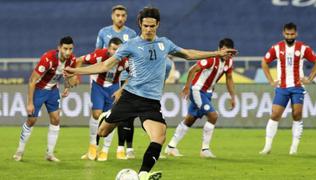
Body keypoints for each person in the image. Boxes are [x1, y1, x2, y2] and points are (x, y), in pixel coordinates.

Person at [64, 7, 236, 180]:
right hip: (130, 98)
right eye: (145, 25)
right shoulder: (130, 45)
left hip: (151, 102)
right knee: (102, 132)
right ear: (140, 24)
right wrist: (77, 71)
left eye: (152, 26)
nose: (148, 29)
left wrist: (217, 53)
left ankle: (144, 174)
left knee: (159, 136)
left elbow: (188, 54)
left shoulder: (165, 43)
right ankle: (106, 117)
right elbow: (104, 65)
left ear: (158, 25)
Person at [165, 38, 236, 158]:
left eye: (228, 51)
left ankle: (170, 147)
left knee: (189, 119)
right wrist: (187, 87)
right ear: (219, 49)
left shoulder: (229, 62)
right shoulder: (211, 59)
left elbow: (229, 79)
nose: (226, 54)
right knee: (213, 116)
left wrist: (232, 96)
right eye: (224, 50)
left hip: (207, 93)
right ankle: (205, 150)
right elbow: (193, 69)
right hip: (197, 90)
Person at [13, 36, 77, 162]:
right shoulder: (48, 59)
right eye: (65, 49)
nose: (68, 52)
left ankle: (50, 154)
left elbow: (69, 75)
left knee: (56, 119)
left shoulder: (72, 60)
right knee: (31, 120)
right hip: (39, 90)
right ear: (59, 48)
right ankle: (19, 151)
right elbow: (32, 80)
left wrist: (67, 87)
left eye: (70, 49)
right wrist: (30, 103)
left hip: (53, 91)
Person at [259, 22, 316, 155]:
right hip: (282, 87)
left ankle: (294, 148)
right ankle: (267, 147)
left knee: (296, 115)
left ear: (296, 34)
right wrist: (270, 80)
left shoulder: (303, 48)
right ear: (283, 33)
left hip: (298, 87)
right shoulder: (276, 48)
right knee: (275, 114)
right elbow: (264, 62)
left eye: (292, 34)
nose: (290, 36)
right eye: (287, 34)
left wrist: (309, 78)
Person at [95, 4, 137, 160]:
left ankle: (126, 148)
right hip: (109, 78)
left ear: (126, 17)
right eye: (117, 15)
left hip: (126, 78)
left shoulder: (132, 33)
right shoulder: (103, 32)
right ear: (112, 16)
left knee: (128, 115)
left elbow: (135, 56)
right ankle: (97, 148)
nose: (120, 18)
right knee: (111, 113)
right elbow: (98, 54)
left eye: (123, 15)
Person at [78, 37, 128, 161]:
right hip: (98, 86)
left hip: (113, 88)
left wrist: (121, 89)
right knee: (96, 114)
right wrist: (75, 77)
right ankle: (92, 147)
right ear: (108, 48)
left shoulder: (125, 60)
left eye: (118, 49)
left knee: (110, 118)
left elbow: (133, 75)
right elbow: (80, 60)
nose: (115, 52)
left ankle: (105, 150)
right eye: (113, 49)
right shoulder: (99, 55)